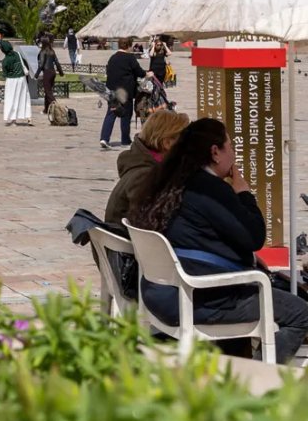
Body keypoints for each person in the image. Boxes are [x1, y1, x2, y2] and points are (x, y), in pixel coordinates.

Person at [130, 118, 308, 364]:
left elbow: (203, 236)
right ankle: (257, 378)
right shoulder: (210, 189)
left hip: (158, 292)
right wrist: (243, 193)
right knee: (300, 313)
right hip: (198, 298)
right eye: (230, 146)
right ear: (215, 152)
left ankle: (232, 365)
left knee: (253, 286)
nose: (233, 154)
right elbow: (254, 236)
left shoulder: (166, 181)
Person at [104, 109, 189, 223]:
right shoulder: (145, 175)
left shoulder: (144, 164)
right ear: (167, 143)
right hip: (127, 233)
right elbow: (148, 222)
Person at [100, 36, 152, 151]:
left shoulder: (113, 57)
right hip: (125, 91)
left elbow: (109, 72)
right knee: (126, 115)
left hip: (112, 90)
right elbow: (139, 72)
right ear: (129, 46)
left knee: (111, 113)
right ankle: (125, 140)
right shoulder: (130, 58)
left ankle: (104, 138)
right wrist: (148, 74)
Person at [0, 40, 32, 126]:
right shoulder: (18, 54)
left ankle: (13, 119)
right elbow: (24, 63)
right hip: (22, 79)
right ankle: (28, 117)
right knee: (24, 97)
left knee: (11, 99)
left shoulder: (5, 61)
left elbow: (5, 74)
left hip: (11, 81)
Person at [34, 34, 64, 116]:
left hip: (47, 73)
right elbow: (57, 63)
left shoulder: (43, 52)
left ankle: (59, 110)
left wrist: (36, 75)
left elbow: (41, 65)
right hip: (52, 72)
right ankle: (46, 109)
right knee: (48, 91)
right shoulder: (52, 51)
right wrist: (61, 73)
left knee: (48, 92)